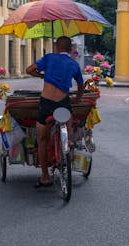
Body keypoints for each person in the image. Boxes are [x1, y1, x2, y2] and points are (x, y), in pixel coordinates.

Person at [26, 36, 84, 188]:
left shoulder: (49, 58)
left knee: (42, 140)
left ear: (57, 47)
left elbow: (29, 70)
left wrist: (42, 75)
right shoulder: (73, 63)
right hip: (63, 103)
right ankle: (68, 138)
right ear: (70, 49)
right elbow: (80, 85)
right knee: (68, 116)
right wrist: (77, 99)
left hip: (46, 104)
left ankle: (45, 177)